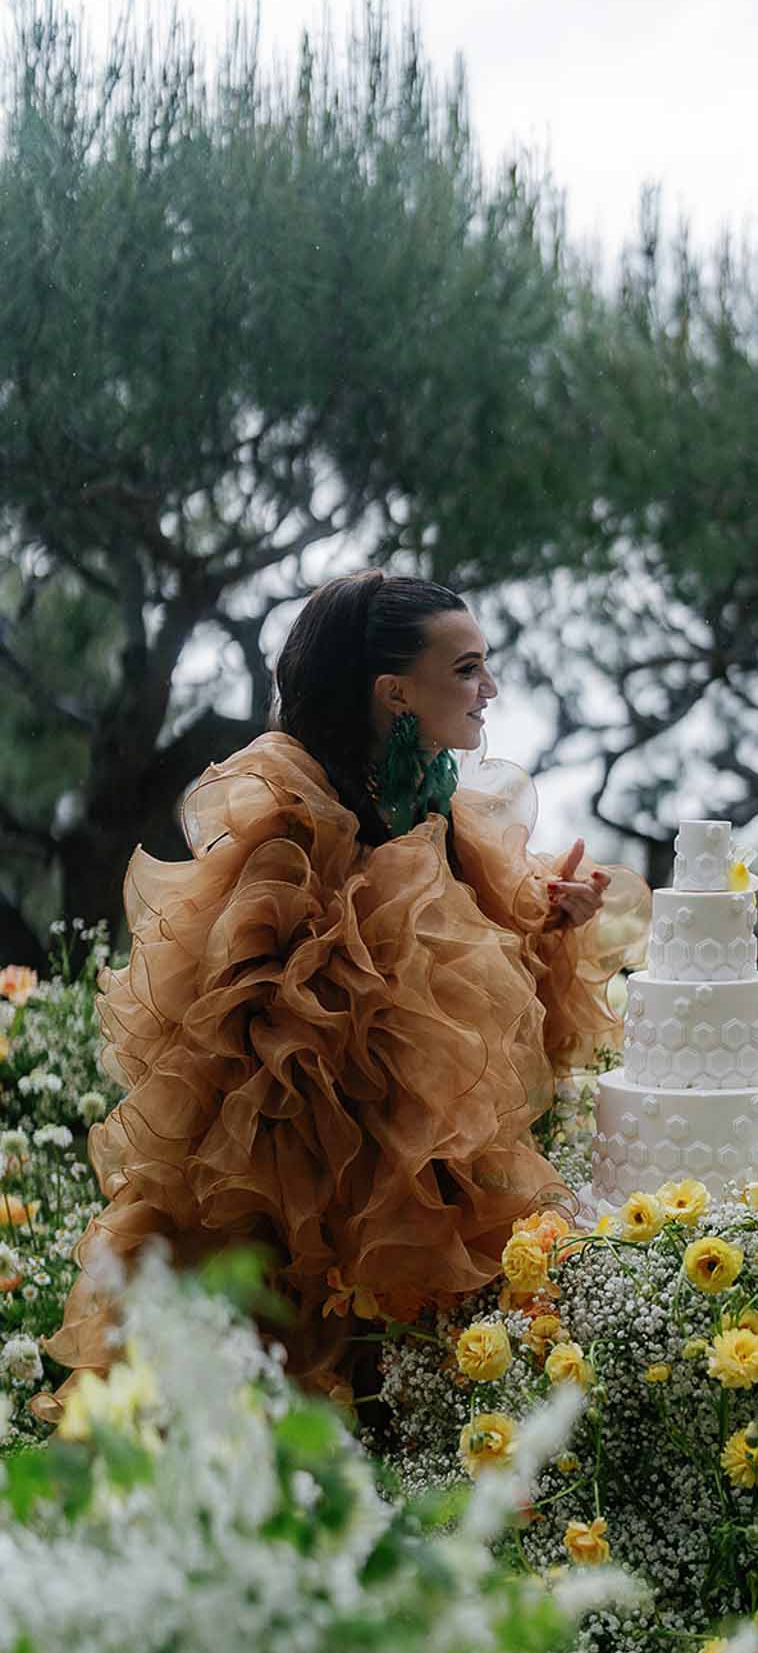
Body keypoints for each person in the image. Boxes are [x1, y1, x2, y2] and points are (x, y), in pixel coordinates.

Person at [45, 571, 648, 1404]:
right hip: (299, 1184)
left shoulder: (440, 806)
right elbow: (249, 1027)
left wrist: (548, 917)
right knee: (283, 1375)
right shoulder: (293, 818)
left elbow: (482, 970)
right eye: (467, 669)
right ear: (395, 693)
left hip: (419, 1174)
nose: (490, 688)